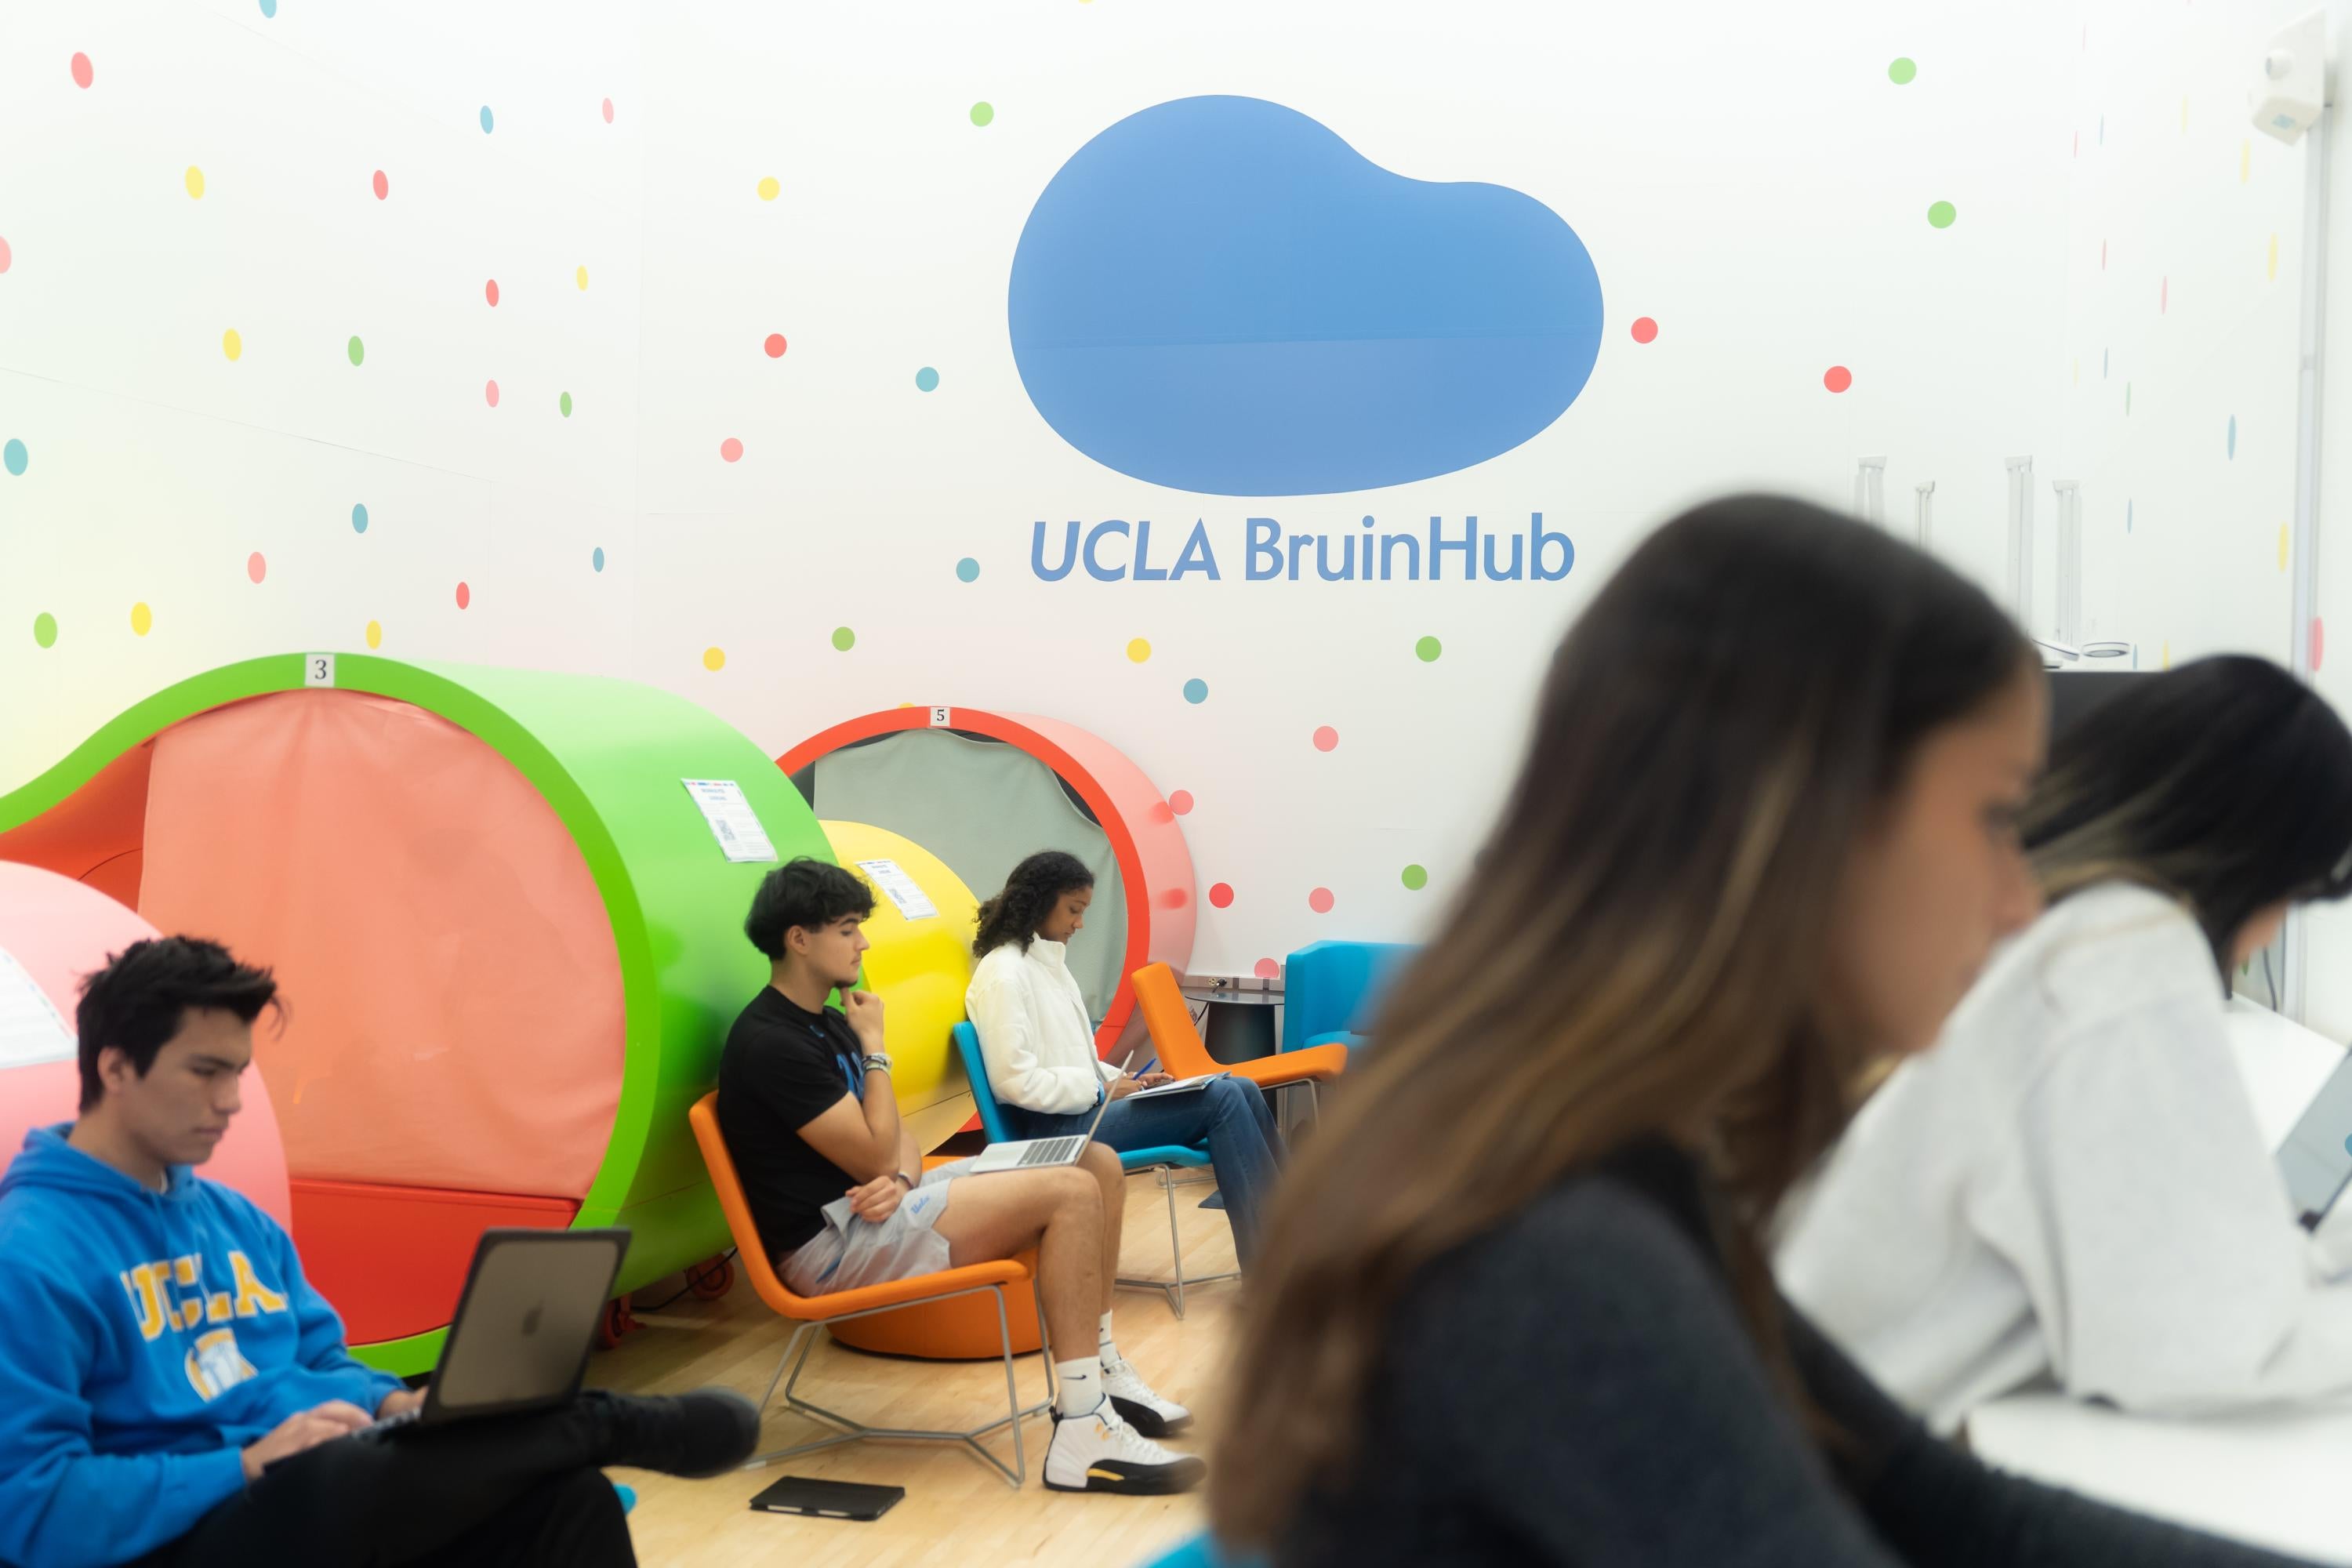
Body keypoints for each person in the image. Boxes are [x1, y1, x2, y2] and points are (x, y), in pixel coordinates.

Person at [1209, 495, 2324, 1566]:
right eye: (1993, 818)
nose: (2021, 900)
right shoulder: (1555, 1258)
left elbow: (1969, 1520)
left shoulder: (1609, 1176)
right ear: (1814, 823)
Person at [0, 937, 758, 1568]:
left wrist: (394, 1404)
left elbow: (324, 1363)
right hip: (188, 1530)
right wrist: (241, 1466)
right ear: (115, 1068)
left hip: (313, 1492)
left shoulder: (235, 1220)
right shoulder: (28, 1255)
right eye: (205, 1072)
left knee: (569, 1501)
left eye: (237, 1073)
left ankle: (553, 1433)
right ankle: (599, 1423)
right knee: (347, 1476)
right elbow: (27, 1504)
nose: (230, 1101)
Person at [1777, 655, 2352, 1433]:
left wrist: (2302, 1257)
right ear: (2251, 855)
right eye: (2293, 892)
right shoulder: (2125, 949)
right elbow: (2195, 1349)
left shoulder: (2061, 923)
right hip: (1831, 1458)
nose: (2275, 928)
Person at [715, 857, 1204, 1494]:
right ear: (798, 939)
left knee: (1094, 1160)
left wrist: (898, 1176)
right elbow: (871, 1155)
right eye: (846, 928)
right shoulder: (774, 1041)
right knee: (1069, 1190)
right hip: (833, 1247)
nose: (863, 941)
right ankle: (1083, 1424)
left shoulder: (829, 1021)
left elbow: (902, 1146)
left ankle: (1103, 1372)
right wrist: (876, 1053)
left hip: (879, 1209)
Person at [964, 850, 1283, 1268]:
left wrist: (1125, 1077)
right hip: (1056, 1128)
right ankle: (1271, 1274)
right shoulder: (1004, 975)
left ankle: (1289, 1240)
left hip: (1081, 1111)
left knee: (1237, 1085)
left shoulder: (1048, 966)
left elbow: (1078, 1058)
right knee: (1221, 1100)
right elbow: (1013, 1082)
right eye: (1073, 911)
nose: (1080, 923)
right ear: (1039, 903)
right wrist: (1102, 1089)